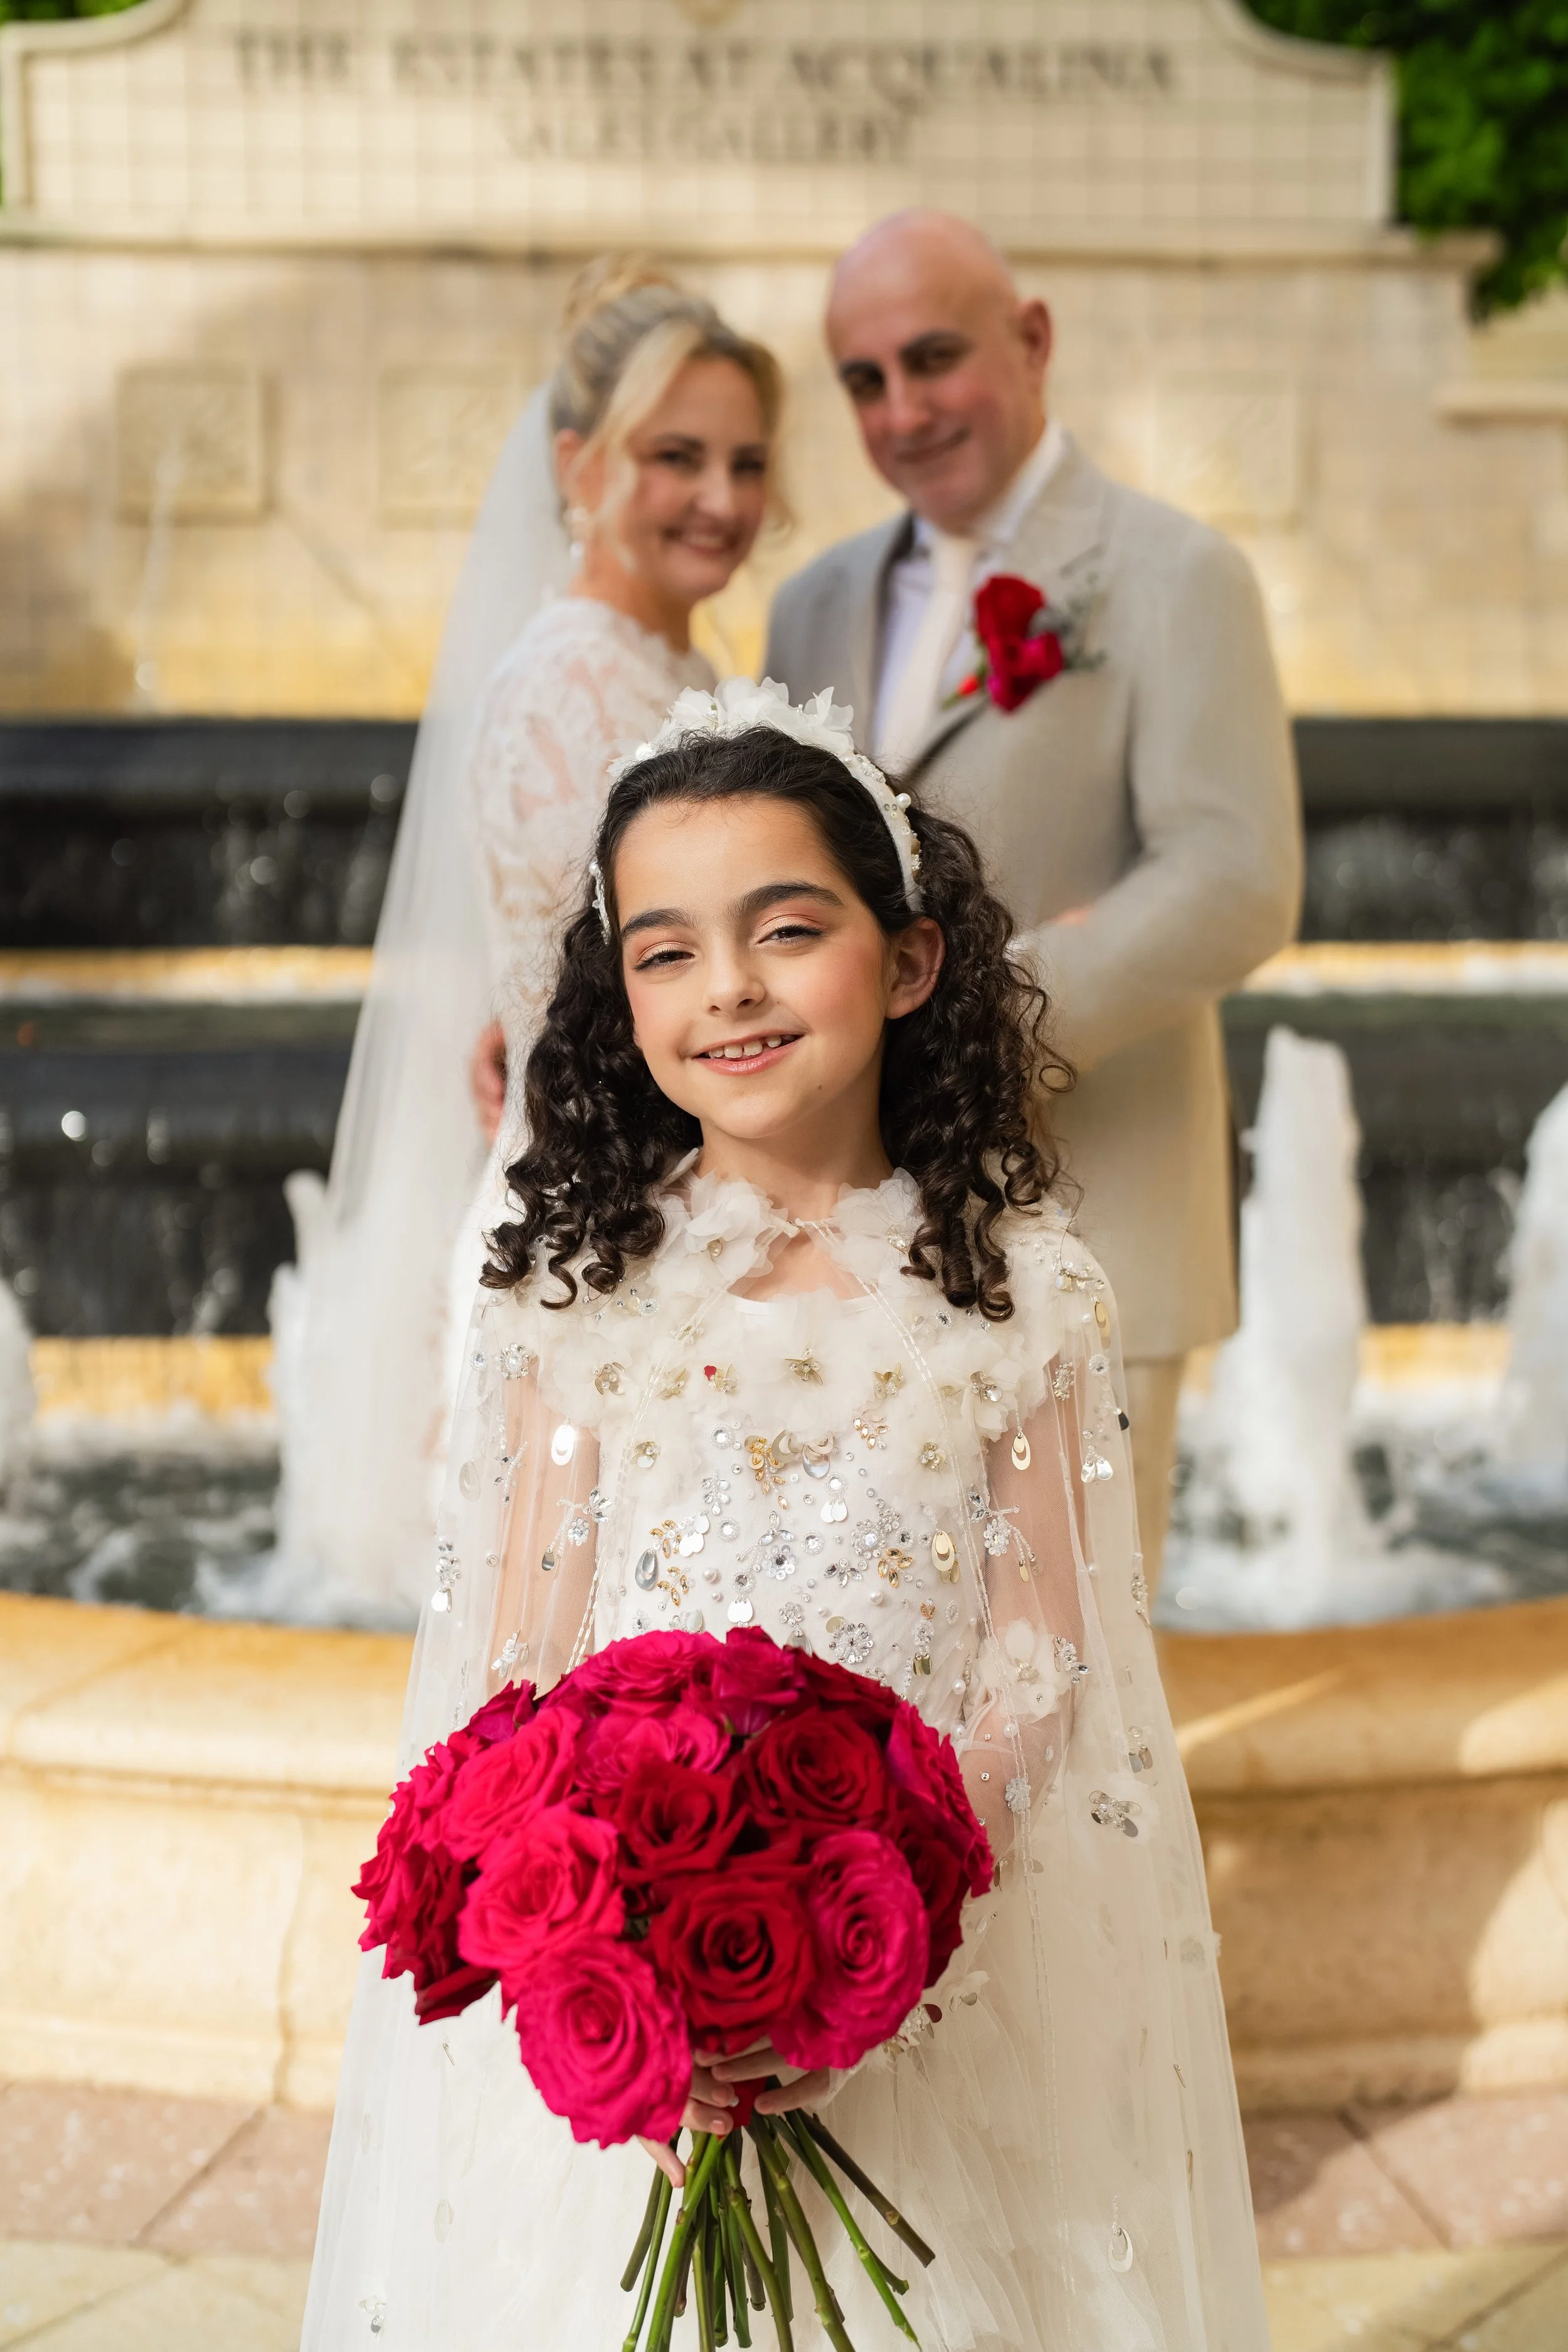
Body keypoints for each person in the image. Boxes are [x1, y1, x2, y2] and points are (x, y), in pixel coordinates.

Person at [302, 681, 1268, 2351]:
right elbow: (518, 1666)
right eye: (666, 950)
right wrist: (614, 1945)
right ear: (618, 993)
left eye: (786, 930)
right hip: (645, 2029)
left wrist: (878, 1921)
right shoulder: (572, 1293)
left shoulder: (1023, 1288)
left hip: (925, 1965)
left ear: (908, 960)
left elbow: (1041, 1646)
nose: (728, 987)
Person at [766, 211, 1302, 1589]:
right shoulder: (813, 601)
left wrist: (979, 1019)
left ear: (1033, 340)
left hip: (1090, 1224)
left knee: (1066, 1677)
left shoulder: (1175, 575)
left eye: (934, 358)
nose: (902, 410)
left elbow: (1236, 876)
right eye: (865, 380)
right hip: (852, 1240)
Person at [270, 260, 781, 1621]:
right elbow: (620, 1011)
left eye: (745, 461)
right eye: (677, 456)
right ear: (579, 464)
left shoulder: (674, 669)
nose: (722, 498)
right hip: (615, 1226)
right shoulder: (567, 684)